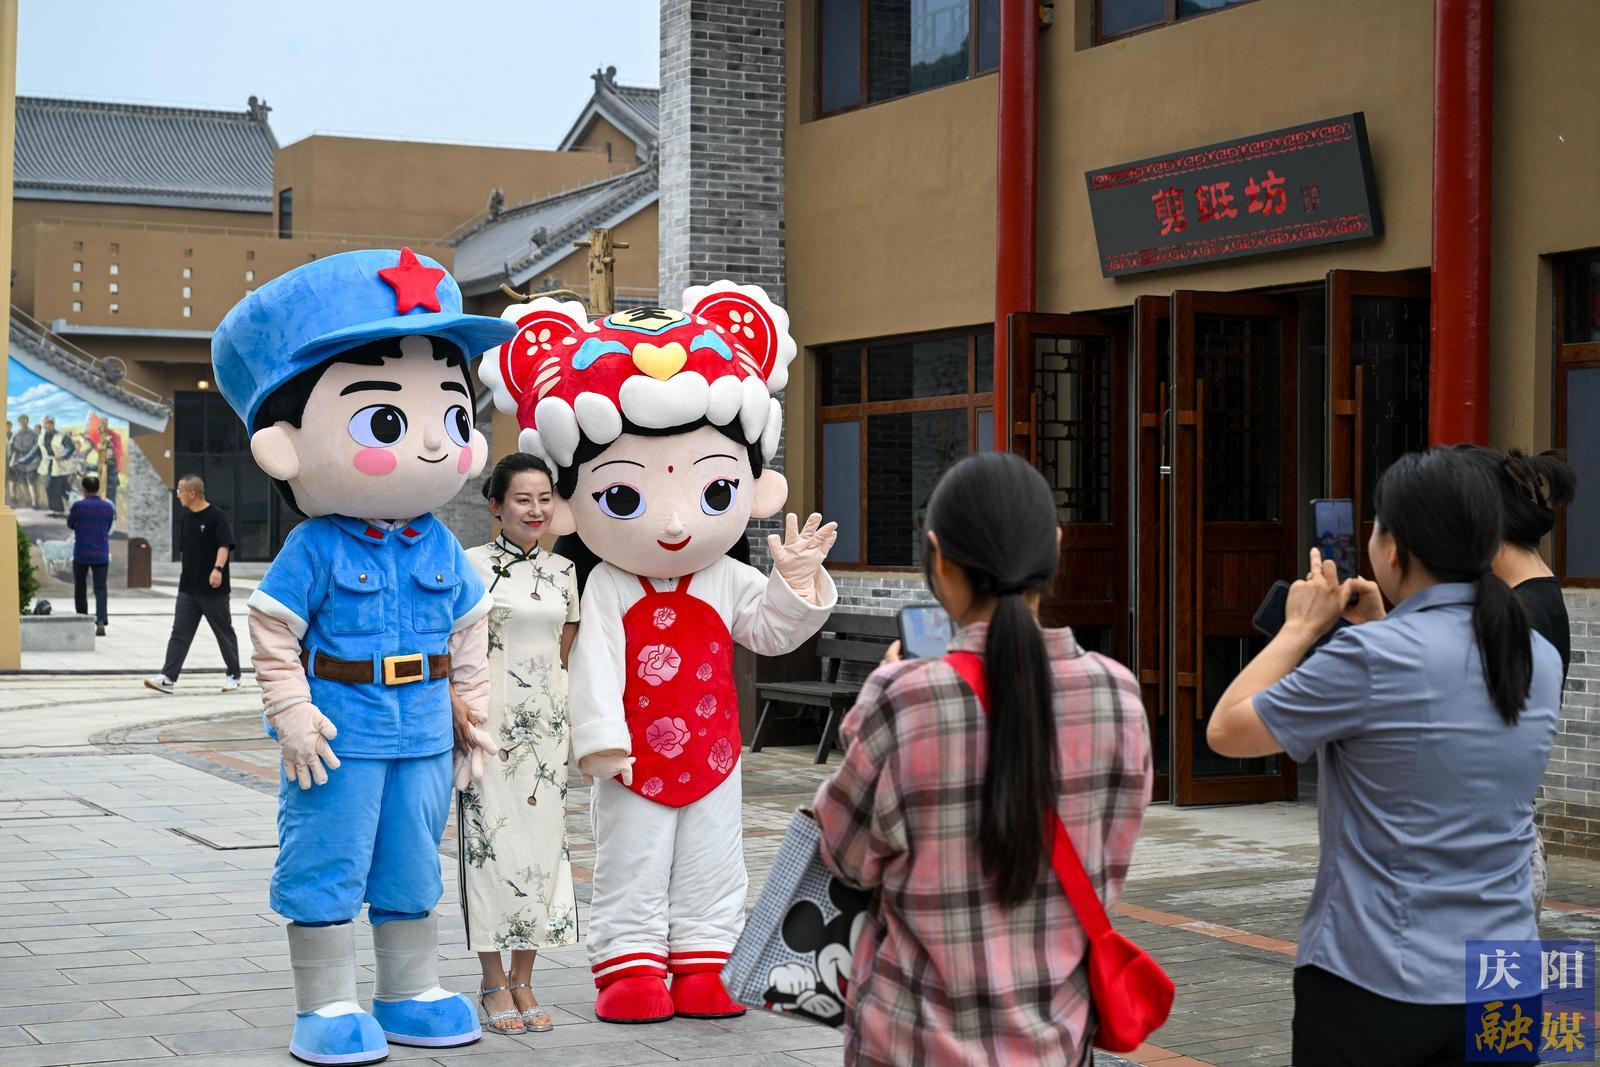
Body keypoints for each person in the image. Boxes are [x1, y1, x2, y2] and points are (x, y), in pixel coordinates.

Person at [484, 284, 837, 1024]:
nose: (676, 524)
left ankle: (707, 961)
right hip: (633, 755)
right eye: (624, 496)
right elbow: (595, 664)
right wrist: (601, 740)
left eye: (713, 490)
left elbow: (771, 630)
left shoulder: (726, 576)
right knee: (633, 859)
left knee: (714, 856)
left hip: (713, 747)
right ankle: (631, 965)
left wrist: (796, 580)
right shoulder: (608, 583)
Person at [215, 248, 509, 1066]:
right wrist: (291, 710)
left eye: (453, 417)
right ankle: (326, 1002)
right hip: (339, 732)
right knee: (328, 855)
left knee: (413, 860)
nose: (435, 445)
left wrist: (473, 714)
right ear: (284, 444)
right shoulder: (314, 546)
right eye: (386, 421)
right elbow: (273, 629)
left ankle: (409, 989)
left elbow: (470, 631)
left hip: (424, 728)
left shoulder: (440, 542)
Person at [1208, 447, 1561, 1067]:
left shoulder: (1370, 660)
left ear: (1393, 550)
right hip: (1508, 973)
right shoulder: (1538, 654)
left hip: (1378, 976)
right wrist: (1379, 626)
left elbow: (1228, 731)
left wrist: (1299, 627)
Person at [809, 452, 1153, 1066]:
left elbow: (845, 857)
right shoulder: (1118, 694)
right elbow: (1112, 861)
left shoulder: (904, 698)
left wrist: (875, 704)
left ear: (938, 558)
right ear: (1053, 547)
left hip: (912, 1045)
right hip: (1057, 1043)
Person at [457, 453, 581, 1036]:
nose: (536, 510)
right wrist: (458, 709)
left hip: (546, 737)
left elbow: (564, 651)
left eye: (544, 499)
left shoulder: (565, 571)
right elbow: (451, 644)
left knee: (541, 851)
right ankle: (492, 980)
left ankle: (525, 977)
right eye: (522, 499)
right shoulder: (469, 566)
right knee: (489, 851)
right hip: (488, 727)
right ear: (496, 505)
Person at [145, 476, 242, 694]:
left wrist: (217, 569)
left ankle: (234, 675)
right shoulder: (187, 518)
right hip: (188, 587)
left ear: (192, 493)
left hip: (213, 588)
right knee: (179, 631)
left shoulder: (216, 516)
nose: (177, 495)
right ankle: (168, 677)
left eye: (180, 490)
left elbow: (224, 545)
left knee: (223, 631)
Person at [67, 474, 115, 635]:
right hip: (101, 552)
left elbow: (70, 524)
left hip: (81, 552)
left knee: (80, 588)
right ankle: (101, 620)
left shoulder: (78, 506)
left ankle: (82, 620)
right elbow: (108, 526)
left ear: (84, 489)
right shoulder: (107, 507)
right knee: (100, 588)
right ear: (98, 488)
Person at [9, 415, 40, 509]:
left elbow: (38, 446)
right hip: (19, 461)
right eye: (22, 421)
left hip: (32, 461)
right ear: (19, 422)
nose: (23, 422)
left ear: (28, 421)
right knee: (22, 482)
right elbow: (12, 447)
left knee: (31, 482)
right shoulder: (15, 434)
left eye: (25, 420)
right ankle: (28, 501)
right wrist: (13, 460)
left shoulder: (33, 433)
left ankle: (35, 502)